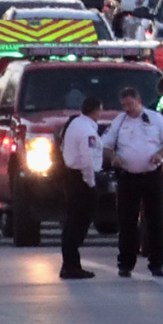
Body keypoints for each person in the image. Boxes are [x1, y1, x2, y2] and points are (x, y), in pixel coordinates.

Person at [100, 87, 163, 277]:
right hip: (128, 177)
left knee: (155, 220)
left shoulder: (155, 119)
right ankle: (125, 263)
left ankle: (156, 263)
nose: (127, 108)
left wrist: (160, 154)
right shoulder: (119, 121)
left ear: (138, 100)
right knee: (127, 222)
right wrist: (114, 157)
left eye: (130, 104)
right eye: (124, 105)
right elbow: (106, 145)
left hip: (152, 176)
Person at [58, 95, 105, 280]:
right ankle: (71, 265)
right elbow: (87, 159)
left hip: (70, 176)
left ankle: (70, 264)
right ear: (96, 111)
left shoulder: (74, 124)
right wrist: (91, 182)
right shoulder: (88, 131)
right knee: (79, 224)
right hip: (82, 179)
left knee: (71, 222)